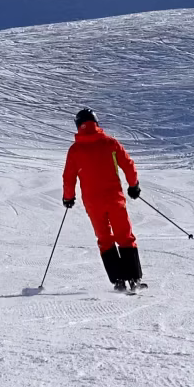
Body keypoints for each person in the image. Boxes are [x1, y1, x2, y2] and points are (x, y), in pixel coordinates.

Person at [62, 108, 145, 291]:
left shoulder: (75, 150)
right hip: (115, 199)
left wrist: (68, 197)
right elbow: (128, 164)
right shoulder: (110, 143)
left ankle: (118, 281)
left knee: (104, 239)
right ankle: (134, 279)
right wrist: (134, 185)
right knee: (124, 235)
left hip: (93, 203)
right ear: (96, 123)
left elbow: (69, 177)